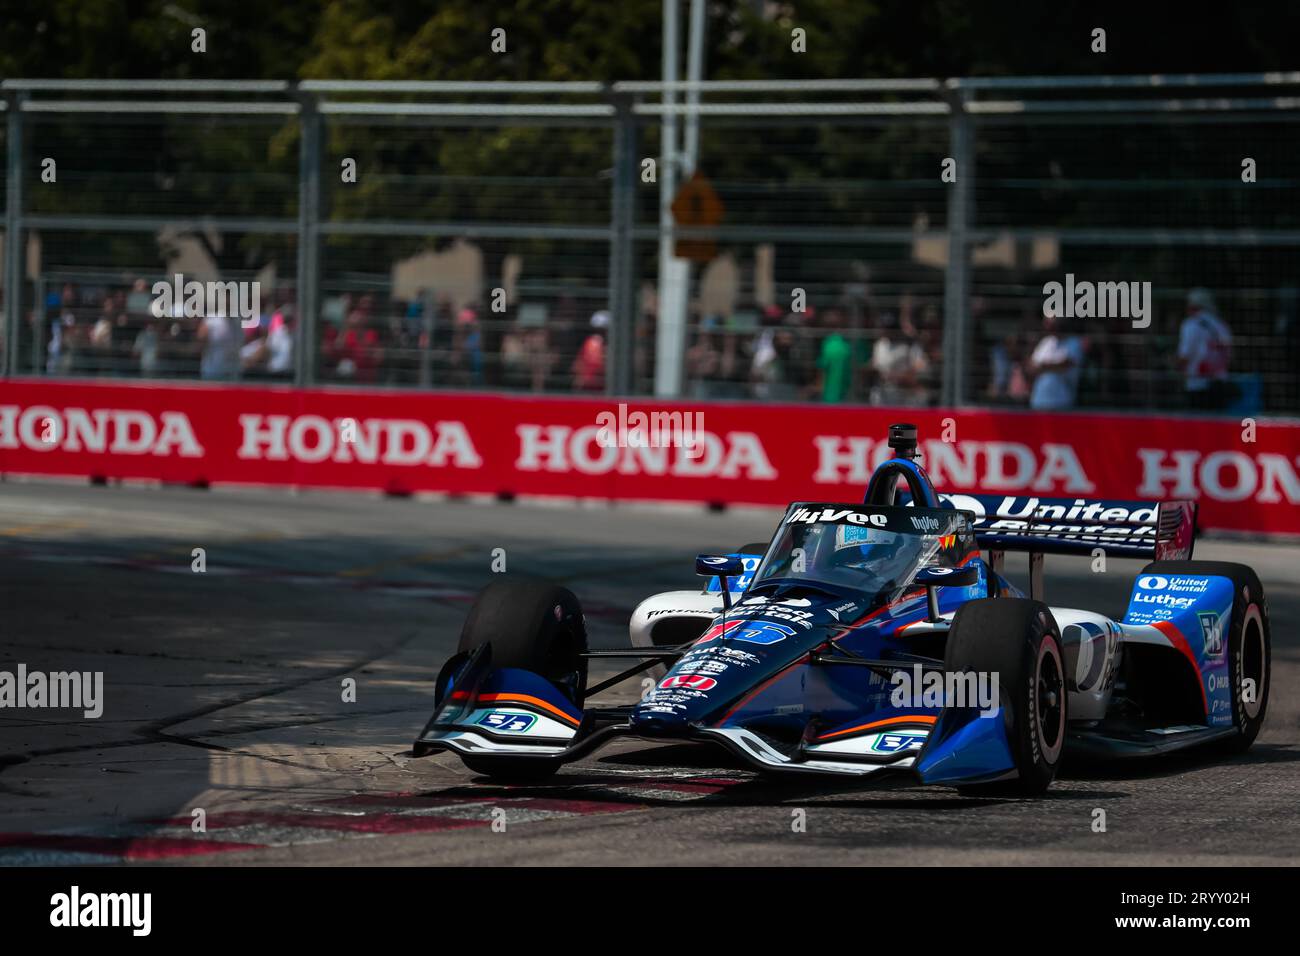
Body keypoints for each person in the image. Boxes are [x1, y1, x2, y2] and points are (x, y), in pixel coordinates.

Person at [1177, 288, 1233, 410]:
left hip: (1197, 385)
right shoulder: (1221, 325)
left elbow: (1185, 355)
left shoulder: (1191, 324)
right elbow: (1229, 355)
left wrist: (1179, 371)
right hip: (1220, 385)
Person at [1027, 310, 1085, 410]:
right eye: (1046, 323)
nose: (1047, 327)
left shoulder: (1074, 343)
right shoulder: (1046, 342)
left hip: (1062, 403)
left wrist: (1043, 366)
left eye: (1051, 323)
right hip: (1039, 402)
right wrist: (1052, 366)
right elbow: (1031, 368)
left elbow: (1065, 365)